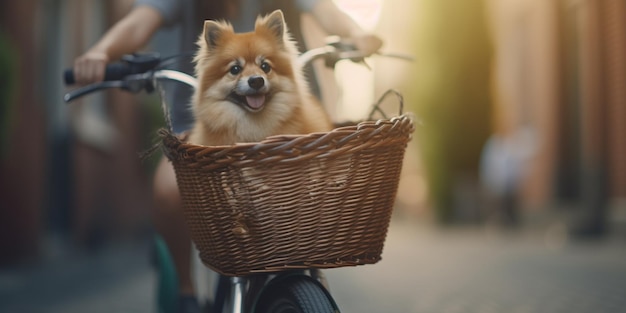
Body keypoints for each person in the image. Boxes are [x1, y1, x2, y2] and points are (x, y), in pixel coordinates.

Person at [72, 1, 382, 312]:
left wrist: (356, 33)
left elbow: (326, 11)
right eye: (237, 69)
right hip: (197, 130)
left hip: (292, 130)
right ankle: (186, 293)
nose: (254, 76)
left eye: (263, 66)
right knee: (168, 190)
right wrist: (101, 51)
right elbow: (139, 22)